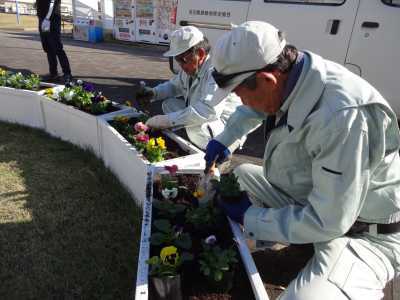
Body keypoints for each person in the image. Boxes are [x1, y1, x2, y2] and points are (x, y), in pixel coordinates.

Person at [205, 21, 400, 299]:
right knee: (241, 175)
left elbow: (329, 220)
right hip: (331, 207)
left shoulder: (341, 117)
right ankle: (304, 249)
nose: (242, 102)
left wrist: (252, 217)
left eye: (240, 94)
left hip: (370, 234)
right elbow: (254, 109)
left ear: (267, 79)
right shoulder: (294, 75)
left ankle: (324, 263)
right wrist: (225, 139)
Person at [136, 26, 242, 150]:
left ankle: (222, 151)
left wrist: (167, 121)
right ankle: (193, 139)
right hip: (208, 116)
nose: (181, 65)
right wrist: (154, 93)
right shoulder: (191, 67)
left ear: (200, 54)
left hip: (226, 125)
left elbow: (208, 111)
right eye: (177, 60)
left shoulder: (216, 71)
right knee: (169, 104)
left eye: (183, 60)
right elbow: (173, 86)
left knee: (194, 124)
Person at [36, 0, 72, 84]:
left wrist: (47, 18)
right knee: (48, 47)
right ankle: (53, 73)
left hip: (52, 20)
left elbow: (52, 3)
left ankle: (67, 73)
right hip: (42, 18)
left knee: (57, 47)